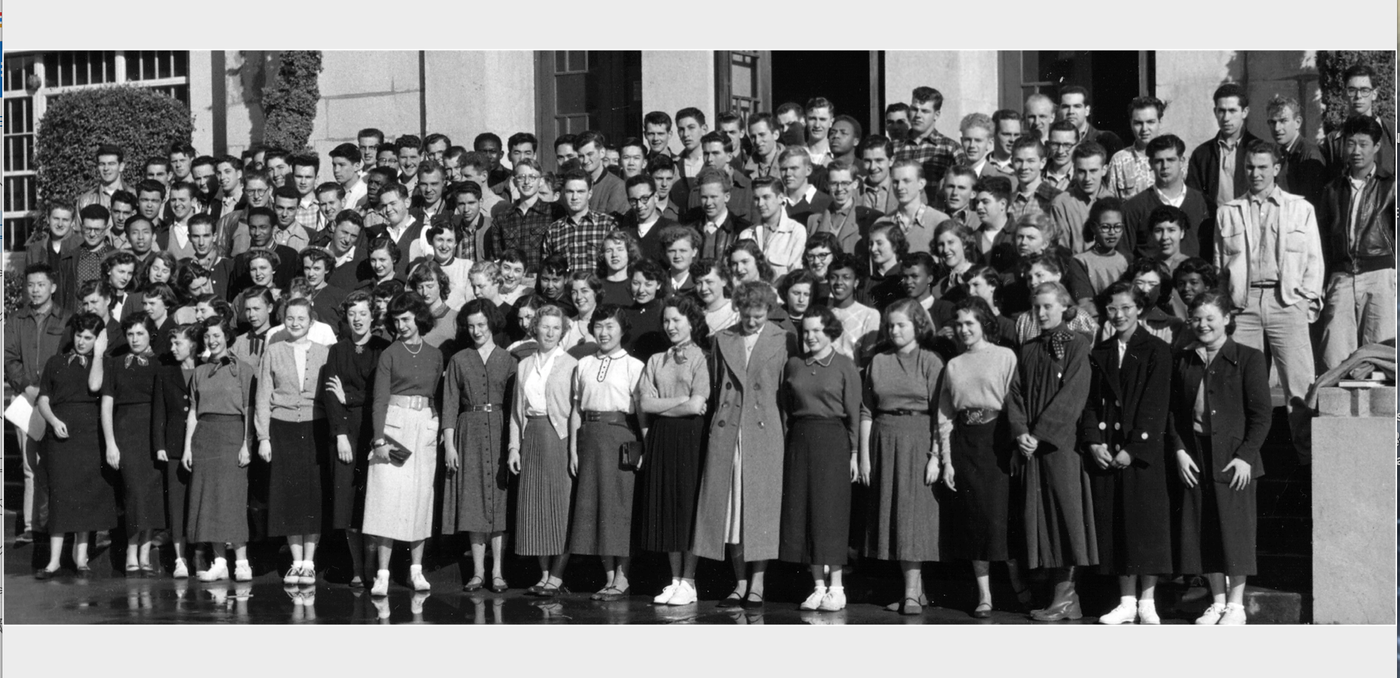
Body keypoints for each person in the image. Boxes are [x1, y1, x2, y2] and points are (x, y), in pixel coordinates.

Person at [1214, 139, 1322, 465]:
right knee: (1239, 385)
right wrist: (1226, 308)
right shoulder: (1229, 212)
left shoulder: (1300, 209)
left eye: (1263, 167)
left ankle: (1308, 462)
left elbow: (1314, 261)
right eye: (1250, 167)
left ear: (1276, 168)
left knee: (1299, 387)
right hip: (1243, 305)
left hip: (1285, 301)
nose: (1256, 173)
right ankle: (1244, 460)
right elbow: (1220, 265)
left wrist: (1304, 300)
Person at [1166, 291, 1271, 626]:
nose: (1203, 325)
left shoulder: (1249, 358)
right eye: (1197, 318)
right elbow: (1172, 413)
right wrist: (1180, 450)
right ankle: (1217, 601)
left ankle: (1236, 606)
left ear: (1226, 319)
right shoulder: (1184, 359)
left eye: (1210, 317)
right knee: (1204, 530)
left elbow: (1261, 415)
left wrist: (1245, 456)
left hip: (1233, 460)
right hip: (1196, 457)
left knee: (1236, 531)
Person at [693, 281, 789, 609]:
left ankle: (758, 582)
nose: (752, 321)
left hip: (765, 434)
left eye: (759, 315)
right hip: (729, 432)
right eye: (747, 315)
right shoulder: (723, 339)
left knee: (759, 509)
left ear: (769, 311)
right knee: (731, 509)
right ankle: (741, 581)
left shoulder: (783, 339)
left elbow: (784, 392)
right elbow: (719, 384)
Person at [1082, 282, 1173, 625]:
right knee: (1115, 523)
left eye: (1126, 308)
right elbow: (1090, 403)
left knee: (1144, 524)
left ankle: (1147, 600)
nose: (1118, 315)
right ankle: (1125, 600)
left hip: (1141, 453)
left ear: (1139, 309)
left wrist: (1134, 448)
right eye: (1112, 309)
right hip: (1107, 449)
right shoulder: (1100, 351)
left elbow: (1155, 405)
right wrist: (1093, 441)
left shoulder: (1156, 350)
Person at [1006, 282, 1096, 621]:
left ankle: (1066, 595)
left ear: (1064, 308)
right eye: (1037, 308)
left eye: (1048, 307)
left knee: (1065, 517)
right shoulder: (1028, 349)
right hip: (1032, 448)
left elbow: (1074, 393)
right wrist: (1021, 432)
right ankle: (1062, 599)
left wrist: (1041, 434)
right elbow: (1014, 394)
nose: (1041, 314)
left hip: (1060, 446)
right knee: (1041, 518)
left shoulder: (1076, 345)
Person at [938, 297, 1029, 617]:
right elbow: (945, 416)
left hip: (998, 443)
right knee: (974, 522)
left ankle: (1019, 587)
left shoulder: (1005, 356)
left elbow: (1016, 404)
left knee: (1002, 519)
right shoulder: (953, 365)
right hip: (966, 445)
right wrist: (946, 460)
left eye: (969, 323)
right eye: (959, 324)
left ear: (983, 324)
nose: (963, 330)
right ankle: (985, 595)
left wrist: (1017, 448)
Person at [860, 298, 947, 615]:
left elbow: (942, 412)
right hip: (884, 439)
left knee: (913, 519)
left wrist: (937, 455)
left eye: (902, 325)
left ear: (918, 326)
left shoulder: (930, 360)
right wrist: (865, 457)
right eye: (891, 325)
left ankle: (911, 593)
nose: (895, 330)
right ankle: (916, 592)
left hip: (918, 440)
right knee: (894, 517)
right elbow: (866, 409)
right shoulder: (878, 361)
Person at [780, 306, 862, 611]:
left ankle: (837, 588)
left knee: (830, 513)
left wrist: (854, 452)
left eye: (817, 330)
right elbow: (787, 409)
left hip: (833, 442)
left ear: (830, 332)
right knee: (803, 512)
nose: (811, 336)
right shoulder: (794, 365)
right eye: (806, 331)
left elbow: (854, 412)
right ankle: (817, 586)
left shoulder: (844, 365)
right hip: (801, 441)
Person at [364, 292, 445, 596]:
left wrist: (434, 425)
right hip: (393, 426)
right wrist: (379, 438)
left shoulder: (435, 355)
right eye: (396, 320)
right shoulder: (390, 354)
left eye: (407, 319)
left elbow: (437, 395)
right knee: (386, 501)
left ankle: (416, 570)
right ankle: (383, 574)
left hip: (424, 424)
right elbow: (380, 399)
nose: (401, 325)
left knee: (420, 499)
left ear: (419, 318)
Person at [636, 295, 710, 606]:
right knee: (667, 508)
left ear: (691, 321)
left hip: (690, 439)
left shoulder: (701, 358)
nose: (670, 326)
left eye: (677, 320)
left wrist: (662, 406)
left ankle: (689, 581)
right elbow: (644, 404)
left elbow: (699, 402)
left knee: (686, 509)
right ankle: (675, 578)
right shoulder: (656, 360)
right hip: (662, 438)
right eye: (666, 321)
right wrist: (680, 403)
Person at [568, 305, 645, 600]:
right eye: (599, 326)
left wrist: (643, 448)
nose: (604, 332)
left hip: (619, 439)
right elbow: (576, 409)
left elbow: (640, 414)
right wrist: (573, 449)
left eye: (610, 326)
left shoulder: (634, 366)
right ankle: (609, 577)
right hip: (589, 438)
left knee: (618, 508)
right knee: (594, 507)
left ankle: (622, 578)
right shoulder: (583, 364)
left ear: (622, 330)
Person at [442, 299, 517, 594]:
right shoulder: (459, 359)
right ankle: (477, 572)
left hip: (499, 429)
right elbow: (449, 406)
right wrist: (449, 446)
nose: (476, 331)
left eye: (481, 325)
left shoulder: (510, 361)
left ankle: (498, 572)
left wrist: (514, 443)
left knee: (499, 501)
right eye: (471, 326)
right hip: (468, 431)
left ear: (492, 324)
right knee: (473, 502)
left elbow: (516, 407)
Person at [34, 313, 117, 578]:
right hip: (61, 437)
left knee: (87, 496)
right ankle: (54, 560)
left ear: (98, 339)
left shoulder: (102, 364)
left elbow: (95, 385)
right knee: (61, 497)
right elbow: (43, 399)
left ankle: (80, 557)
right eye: (80, 336)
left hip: (90, 437)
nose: (82, 342)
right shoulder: (55, 362)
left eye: (89, 338)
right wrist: (53, 420)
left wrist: (99, 354)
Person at [255, 298, 330, 586]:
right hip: (282, 429)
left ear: (312, 322)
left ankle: (310, 562)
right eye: (290, 318)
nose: (295, 323)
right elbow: (263, 395)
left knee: (312, 494)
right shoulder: (273, 351)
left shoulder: (325, 352)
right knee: (288, 496)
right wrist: (263, 437)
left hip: (315, 428)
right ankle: (296, 562)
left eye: (301, 318)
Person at [508, 305, 579, 597]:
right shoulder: (524, 365)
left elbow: (576, 410)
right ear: (535, 328)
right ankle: (544, 575)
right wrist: (514, 447)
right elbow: (516, 413)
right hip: (531, 437)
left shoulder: (572, 363)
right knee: (535, 508)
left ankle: (558, 576)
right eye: (544, 326)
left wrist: (573, 447)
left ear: (562, 332)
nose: (549, 332)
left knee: (560, 508)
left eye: (555, 328)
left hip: (559, 437)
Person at [320, 291, 390, 588]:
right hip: (347, 434)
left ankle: (374, 568)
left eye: (363, 312)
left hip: (373, 432)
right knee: (348, 505)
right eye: (352, 314)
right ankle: (358, 569)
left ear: (373, 316)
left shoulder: (383, 349)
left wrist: (348, 396)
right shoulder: (337, 351)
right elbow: (329, 394)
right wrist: (340, 435)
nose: (358, 319)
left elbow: (378, 394)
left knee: (371, 503)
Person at [1316, 114, 1396, 370]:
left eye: (1363, 144)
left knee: (1381, 356)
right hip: (1341, 276)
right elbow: (1324, 240)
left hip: (1380, 275)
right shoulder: (1332, 189)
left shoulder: (1391, 187)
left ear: (1376, 146)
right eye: (1351, 144)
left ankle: (1381, 412)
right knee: (1335, 357)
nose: (1356, 151)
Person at [6, 263, 73, 546]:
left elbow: (71, 355)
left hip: (56, 401)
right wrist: (27, 387)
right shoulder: (15, 320)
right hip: (25, 399)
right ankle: (32, 526)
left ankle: (59, 522)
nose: (35, 290)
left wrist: (48, 391)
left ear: (53, 287)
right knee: (29, 465)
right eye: (30, 285)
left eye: (41, 285)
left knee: (59, 465)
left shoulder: (67, 319)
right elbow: (9, 357)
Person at [184, 316, 255, 582]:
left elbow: (249, 409)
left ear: (226, 336)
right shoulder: (200, 371)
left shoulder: (243, 370)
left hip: (232, 435)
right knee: (209, 500)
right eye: (207, 337)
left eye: (216, 335)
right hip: (204, 438)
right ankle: (220, 562)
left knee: (232, 500)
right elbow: (193, 411)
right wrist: (189, 446)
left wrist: (247, 444)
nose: (212, 341)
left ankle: (243, 562)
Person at [101, 311, 166, 576]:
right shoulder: (115, 364)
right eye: (130, 334)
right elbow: (106, 406)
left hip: (153, 433)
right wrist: (110, 443)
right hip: (125, 433)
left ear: (150, 334)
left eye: (140, 333)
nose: (135, 339)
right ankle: (130, 550)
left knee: (151, 494)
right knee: (134, 492)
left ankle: (144, 551)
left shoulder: (160, 364)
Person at [151, 323, 202, 578]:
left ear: (192, 345)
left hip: (202, 445)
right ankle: (180, 558)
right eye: (171, 343)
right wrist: (159, 444)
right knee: (177, 503)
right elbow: (159, 410)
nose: (172, 348)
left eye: (177, 343)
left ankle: (202, 555)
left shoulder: (206, 369)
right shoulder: (165, 372)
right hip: (173, 446)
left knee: (201, 501)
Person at [1124, 135, 1212, 261]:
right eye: (1159, 161)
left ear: (1182, 161)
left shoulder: (1203, 204)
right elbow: (1125, 257)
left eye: (1171, 160)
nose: (1165, 166)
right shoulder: (1133, 207)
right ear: (1150, 164)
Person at [1187, 83, 1260, 215]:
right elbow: (1194, 197)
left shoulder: (1259, 149)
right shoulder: (1202, 153)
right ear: (1215, 112)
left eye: (1232, 111)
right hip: (1214, 227)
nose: (1226, 118)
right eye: (1221, 111)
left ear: (1245, 112)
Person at [894, 86, 967, 204]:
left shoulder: (950, 149)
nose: (918, 115)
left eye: (924, 111)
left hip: (935, 216)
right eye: (914, 109)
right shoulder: (895, 147)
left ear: (936, 115)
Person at [542, 169, 619, 275]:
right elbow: (547, 272)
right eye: (570, 192)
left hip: (598, 290)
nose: (574, 197)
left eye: (580, 192)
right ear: (564, 193)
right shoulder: (553, 231)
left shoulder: (607, 225)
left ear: (590, 193)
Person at [741, 176, 807, 277]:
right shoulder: (746, 235)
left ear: (780, 198)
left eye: (766, 197)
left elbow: (794, 275)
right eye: (756, 199)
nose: (760, 204)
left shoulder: (796, 232)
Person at [1107, 96, 1167, 200]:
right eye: (1138, 123)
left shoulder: (1173, 158)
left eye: (1150, 122)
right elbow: (1111, 205)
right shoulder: (1119, 160)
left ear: (1160, 122)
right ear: (1131, 124)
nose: (1144, 129)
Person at [407, 261, 458, 348]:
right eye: (420, 287)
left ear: (441, 285)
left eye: (430, 286)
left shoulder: (455, 318)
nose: (425, 292)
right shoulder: (412, 318)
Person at [691, 257, 736, 336]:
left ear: (723, 281)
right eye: (699, 283)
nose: (703, 288)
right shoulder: (695, 315)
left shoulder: (737, 311)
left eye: (709, 282)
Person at [596, 229, 641, 307]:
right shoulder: (596, 287)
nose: (614, 255)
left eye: (620, 249)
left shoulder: (637, 287)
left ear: (629, 253)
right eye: (609, 250)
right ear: (603, 256)